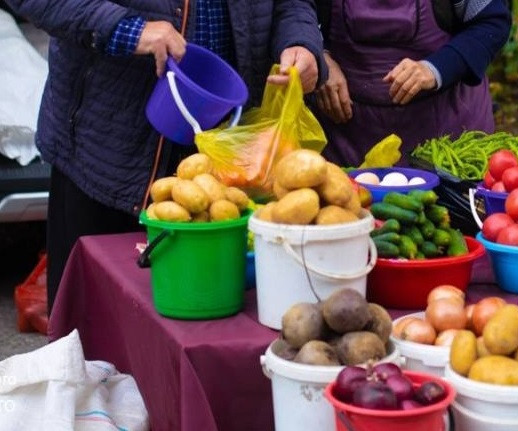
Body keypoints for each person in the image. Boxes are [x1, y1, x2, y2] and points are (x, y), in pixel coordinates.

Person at [5, 0, 327, 313]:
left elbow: (291, 4)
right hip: (105, 152)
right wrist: (129, 29)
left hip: (223, 154)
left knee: (201, 324)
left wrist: (300, 42)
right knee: (93, 338)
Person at [312, 0, 512, 166]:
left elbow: (492, 22)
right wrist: (320, 57)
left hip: (447, 137)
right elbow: (292, 14)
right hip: (345, 139)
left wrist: (435, 69)